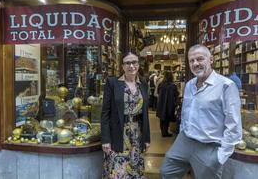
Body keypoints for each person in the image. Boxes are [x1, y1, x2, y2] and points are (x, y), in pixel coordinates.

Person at [160, 44, 242, 179]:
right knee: (166, 172)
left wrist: (220, 156)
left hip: (209, 146)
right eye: (191, 61)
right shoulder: (189, 85)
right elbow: (186, 112)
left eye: (200, 59)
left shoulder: (226, 86)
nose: (195, 63)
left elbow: (234, 124)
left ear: (211, 59)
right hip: (185, 140)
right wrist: (182, 132)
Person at [101, 52, 150, 179]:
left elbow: (145, 113)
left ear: (138, 65)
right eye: (127, 63)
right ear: (122, 66)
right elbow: (105, 113)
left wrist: (147, 138)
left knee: (135, 167)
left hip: (137, 133)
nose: (131, 66)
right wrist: (105, 139)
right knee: (118, 169)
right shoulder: (112, 83)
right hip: (118, 132)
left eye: (134, 62)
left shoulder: (143, 84)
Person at [156, 71, 179, 137]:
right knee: (167, 118)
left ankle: (163, 131)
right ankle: (165, 132)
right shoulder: (173, 85)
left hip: (161, 103)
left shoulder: (161, 84)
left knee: (162, 118)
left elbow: (158, 92)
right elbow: (176, 94)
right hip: (169, 104)